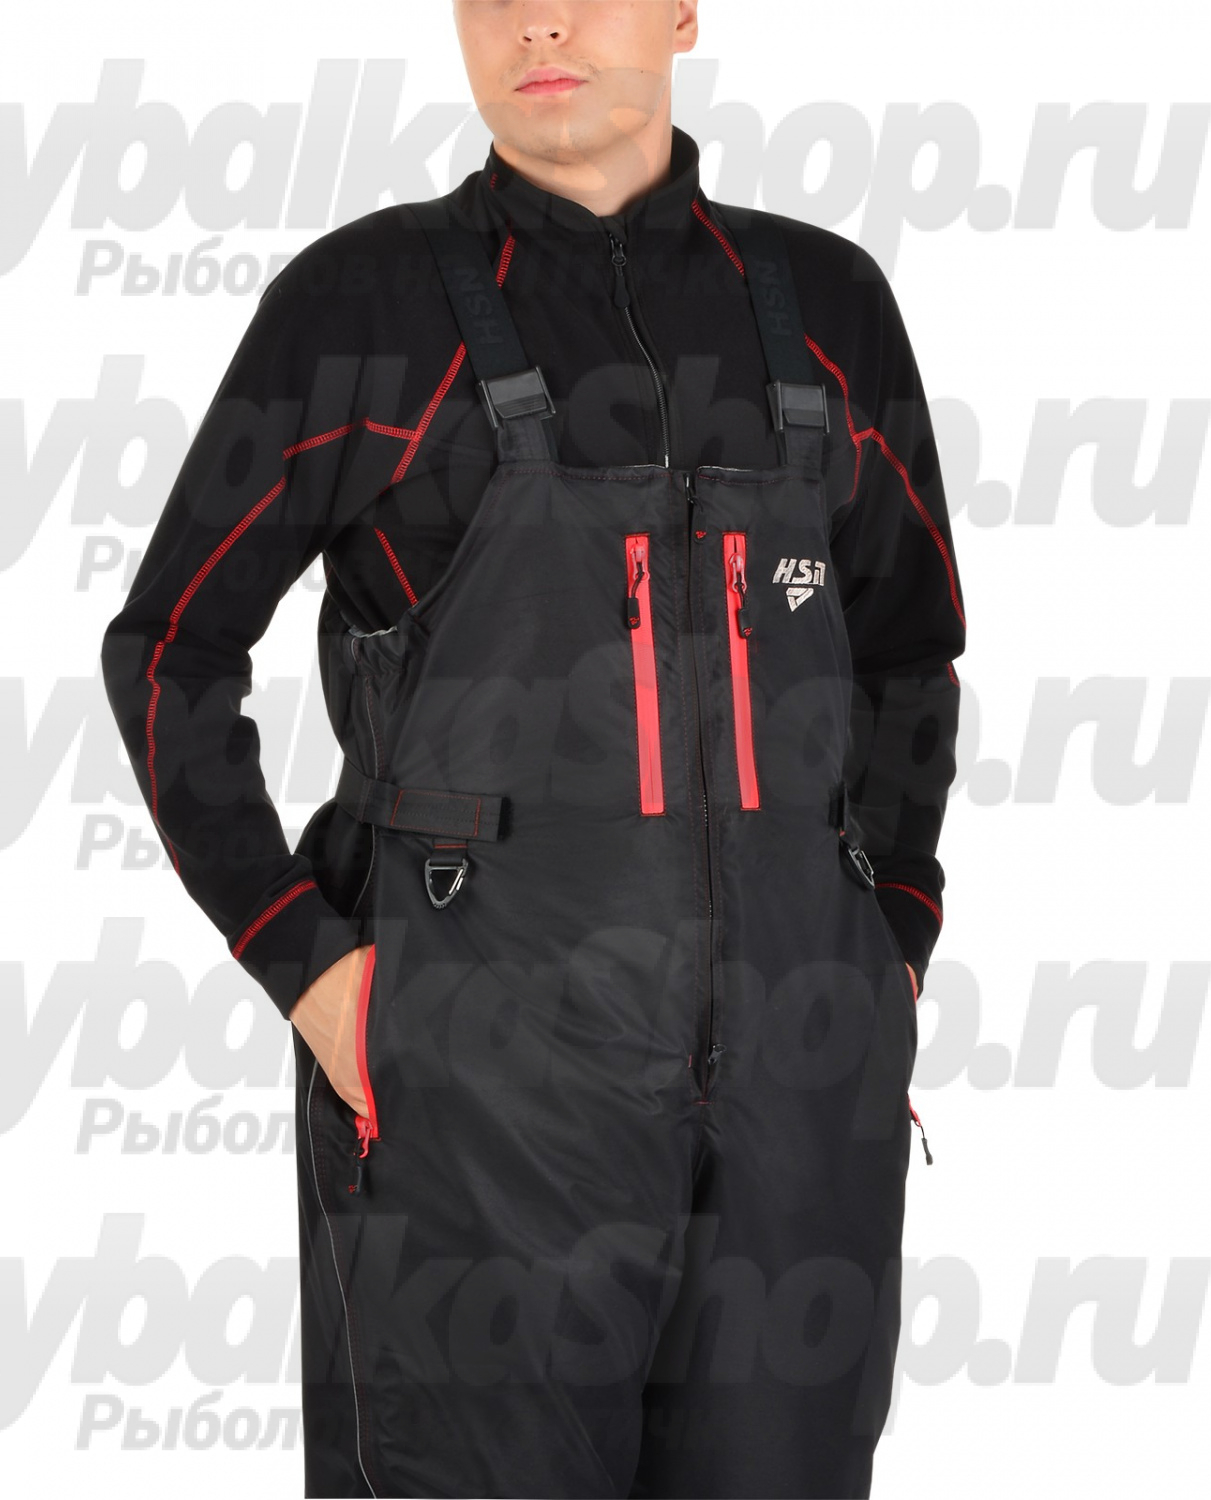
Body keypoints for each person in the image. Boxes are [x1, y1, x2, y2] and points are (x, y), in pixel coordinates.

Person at [101, 3, 965, 1494]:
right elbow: (170, 651)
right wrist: (308, 967)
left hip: (801, 1103)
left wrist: (891, 939)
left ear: (683, 11)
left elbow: (908, 655)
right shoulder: (362, 309)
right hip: (479, 1102)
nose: (540, 21)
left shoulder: (827, 309)